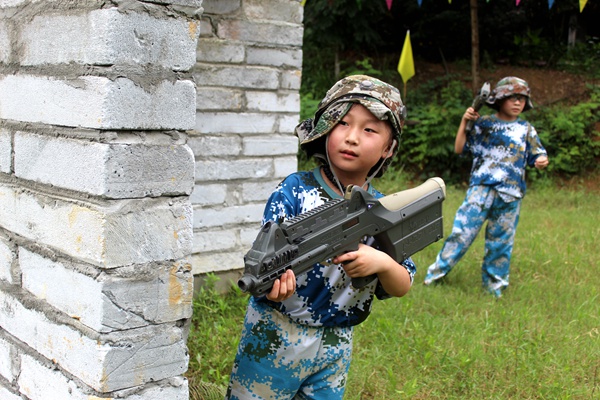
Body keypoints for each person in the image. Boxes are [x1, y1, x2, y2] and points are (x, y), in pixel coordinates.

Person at [225, 75, 415, 399]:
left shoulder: (383, 210)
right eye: (341, 123)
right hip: (274, 334)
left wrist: (381, 263)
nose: (352, 137)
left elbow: (402, 284)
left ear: (389, 147)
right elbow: (268, 256)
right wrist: (273, 291)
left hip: (336, 344)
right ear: (324, 128)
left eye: (369, 129)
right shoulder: (294, 190)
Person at [424, 76, 549, 297]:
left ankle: (494, 288)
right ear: (500, 99)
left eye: (521, 99)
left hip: (510, 195)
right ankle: (435, 276)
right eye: (512, 98)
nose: (517, 103)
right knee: (461, 234)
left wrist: (541, 161)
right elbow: (459, 148)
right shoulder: (485, 124)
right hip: (481, 190)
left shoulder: (526, 129)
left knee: (500, 243)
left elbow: (537, 154)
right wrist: (465, 122)